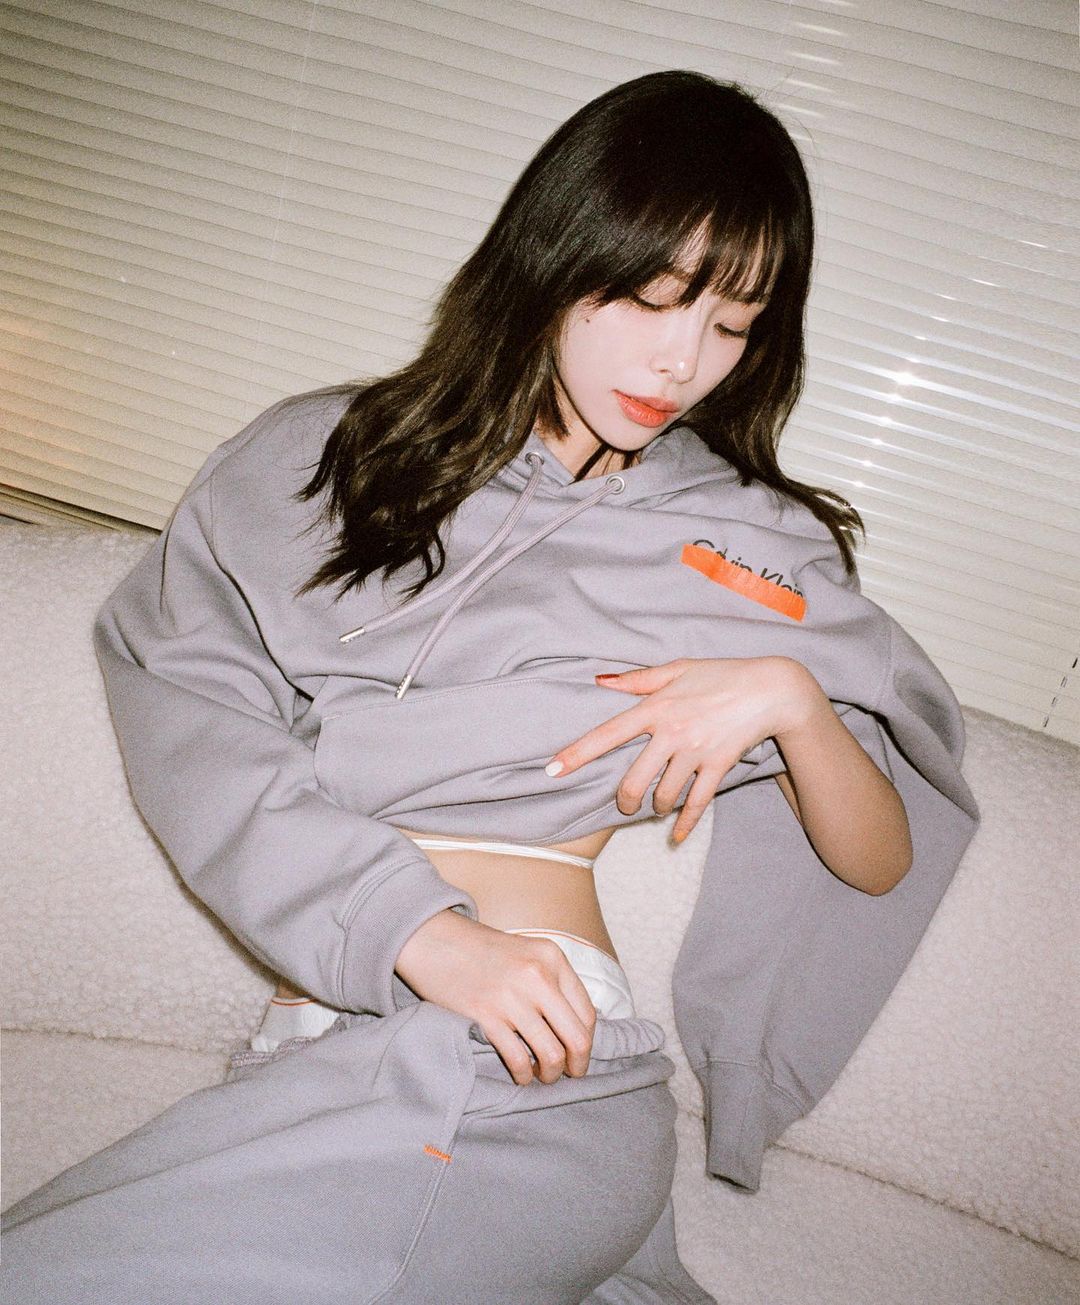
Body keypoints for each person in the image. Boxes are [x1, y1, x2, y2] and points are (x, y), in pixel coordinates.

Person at [0, 71, 978, 1303]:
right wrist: (416, 933)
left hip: (526, 1050)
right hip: (313, 1056)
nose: (683, 361)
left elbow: (879, 859)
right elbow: (190, 713)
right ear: (555, 257)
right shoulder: (327, 457)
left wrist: (792, 698)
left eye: (733, 324)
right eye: (652, 297)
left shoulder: (750, 546)